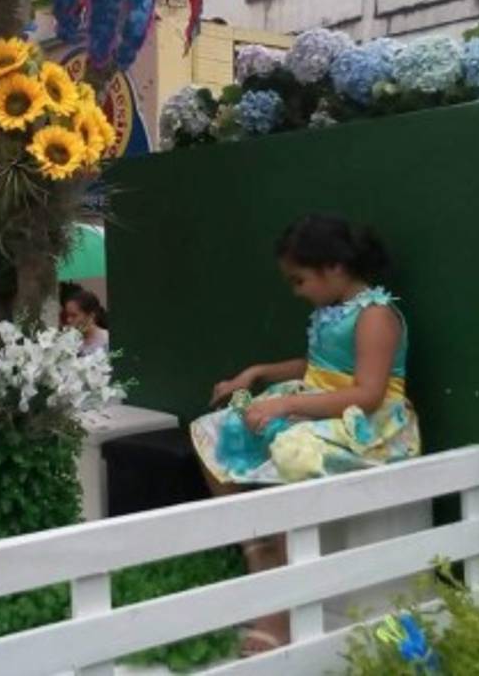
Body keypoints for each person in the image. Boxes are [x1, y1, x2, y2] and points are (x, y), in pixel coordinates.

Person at [190, 215, 421, 655]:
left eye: (299, 280)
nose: (297, 292)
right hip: (320, 402)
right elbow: (317, 367)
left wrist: (287, 405)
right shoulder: (331, 310)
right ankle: (258, 546)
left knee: (290, 449)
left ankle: (277, 615)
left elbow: (369, 393)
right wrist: (256, 374)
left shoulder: (377, 316)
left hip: (367, 425)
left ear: (333, 268)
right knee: (213, 429)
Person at [63, 289, 110, 355]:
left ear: (91, 316)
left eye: (74, 315)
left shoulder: (108, 341)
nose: (69, 320)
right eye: (67, 315)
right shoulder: (67, 342)